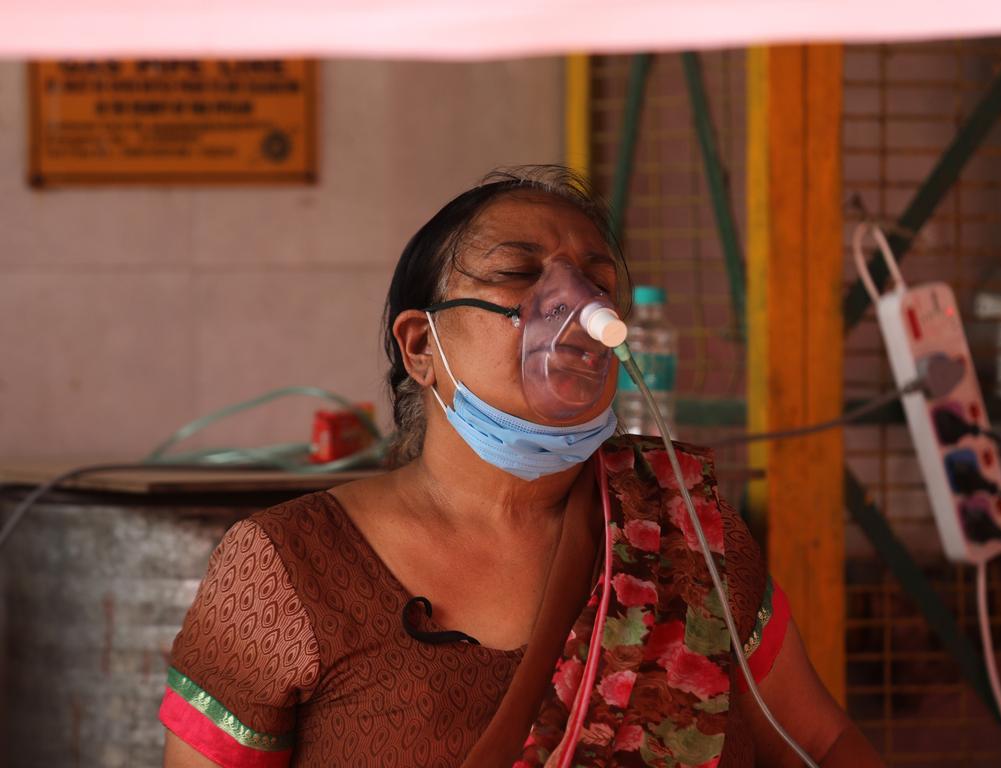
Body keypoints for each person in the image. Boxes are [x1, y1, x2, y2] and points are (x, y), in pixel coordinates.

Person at [161, 165, 885, 767]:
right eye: (517, 273)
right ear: (420, 348)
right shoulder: (288, 565)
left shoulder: (684, 533)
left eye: (597, 282)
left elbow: (819, 740)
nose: (574, 306)